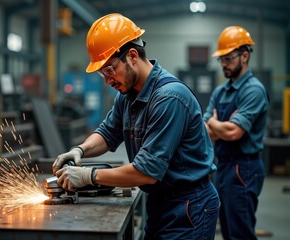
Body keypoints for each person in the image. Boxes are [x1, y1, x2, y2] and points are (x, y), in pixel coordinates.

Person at [53, 13, 220, 239]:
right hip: (160, 202)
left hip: (189, 207)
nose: (107, 80)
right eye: (103, 73)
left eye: (109, 69)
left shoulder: (169, 98)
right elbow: (108, 133)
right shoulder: (127, 94)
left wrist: (89, 175)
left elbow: (147, 171)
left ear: (132, 56)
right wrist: (79, 150)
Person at [203, 26, 269, 240]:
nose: (224, 64)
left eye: (228, 58)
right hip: (223, 166)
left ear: (245, 56)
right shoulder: (220, 91)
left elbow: (234, 133)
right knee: (228, 231)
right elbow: (204, 131)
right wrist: (218, 126)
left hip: (244, 168)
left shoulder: (253, 90)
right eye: (221, 59)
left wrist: (214, 122)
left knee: (241, 232)